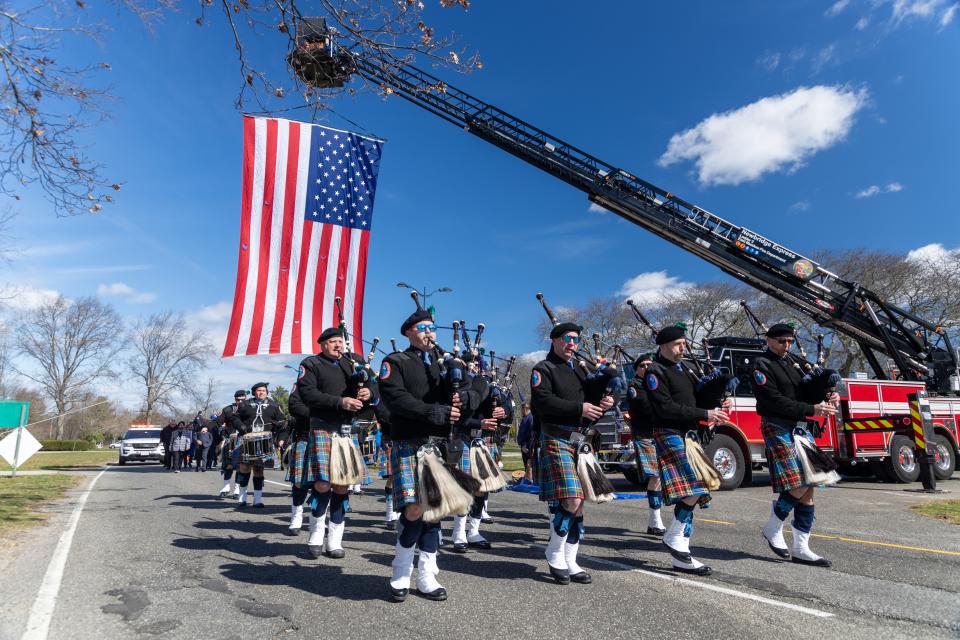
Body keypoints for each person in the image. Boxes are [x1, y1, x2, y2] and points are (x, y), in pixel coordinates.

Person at [379, 309, 461, 602]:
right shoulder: (395, 362)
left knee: (434, 511)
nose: (429, 333)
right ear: (409, 332)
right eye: (423, 328)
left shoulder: (444, 366)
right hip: (410, 442)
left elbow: (474, 390)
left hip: (438, 445)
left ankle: (427, 575)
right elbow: (394, 398)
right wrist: (431, 410)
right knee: (414, 509)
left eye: (432, 328)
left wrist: (465, 392)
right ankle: (400, 571)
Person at [531, 321, 616, 586]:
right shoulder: (542, 369)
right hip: (557, 436)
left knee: (579, 503)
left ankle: (571, 559)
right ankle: (554, 551)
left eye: (576, 339)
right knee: (571, 498)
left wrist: (607, 395)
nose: (572, 344)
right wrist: (579, 409)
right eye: (567, 338)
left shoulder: (581, 370)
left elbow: (597, 397)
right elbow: (543, 402)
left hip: (581, 441)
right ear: (554, 340)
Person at [644, 324, 731, 576]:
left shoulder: (686, 369)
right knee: (697, 485)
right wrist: (705, 413)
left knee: (699, 488)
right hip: (669, 432)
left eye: (684, 344)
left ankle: (682, 553)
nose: (683, 348)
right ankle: (673, 537)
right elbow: (665, 408)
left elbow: (694, 400)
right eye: (678, 344)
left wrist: (717, 402)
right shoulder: (655, 372)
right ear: (663, 345)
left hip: (689, 435)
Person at [752, 323, 838, 568]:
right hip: (777, 425)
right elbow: (773, 400)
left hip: (799, 427)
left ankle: (802, 548)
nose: (786, 346)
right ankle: (773, 527)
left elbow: (804, 394)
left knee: (810, 485)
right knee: (799, 483)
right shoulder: (762, 365)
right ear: (769, 340)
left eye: (789, 341)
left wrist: (825, 391)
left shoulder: (792, 364)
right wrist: (813, 409)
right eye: (781, 341)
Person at [294, 327, 373, 558]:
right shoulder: (311, 364)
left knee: (342, 485)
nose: (338, 345)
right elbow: (307, 394)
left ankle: (335, 540)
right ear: (322, 344)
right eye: (332, 342)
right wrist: (340, 402)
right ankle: (316, 533)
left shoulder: (354, 364)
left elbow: (375, 387)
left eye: (340, 341)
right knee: (322, 484)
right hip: (323, 427)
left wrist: (369, 392)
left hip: (347, 431)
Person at [628, 353, 665, 536]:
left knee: (662, 477)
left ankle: (654, 522)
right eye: (642, 365)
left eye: (649, 364)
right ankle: (656, 520)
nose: (646, 367)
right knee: (656, 475)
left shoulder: (657, 383)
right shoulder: (634, 386)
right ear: (637, 369)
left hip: (661, 435)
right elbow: (646, 407)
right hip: (645, 435)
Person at [235, 382, 285, 508]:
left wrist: (278, 426)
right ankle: (242, 497)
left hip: (264, 442)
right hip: (247, 440)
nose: (261, 392)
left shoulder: (274, 405)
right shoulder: (245, 404)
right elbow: (235, 418)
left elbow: (282, 422)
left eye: (263, 390)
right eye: (258, 390)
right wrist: (241, 427)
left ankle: (257, 499)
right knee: (244, 469)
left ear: (267, 392)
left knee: (259, 470)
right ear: (253, 392)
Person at [284, 382, 312, 536]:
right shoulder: (300, 384)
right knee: (300, 482)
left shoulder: (337, 381)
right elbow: (294, 406)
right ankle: (296, 518)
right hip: (305, 436)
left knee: (325, 483)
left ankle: (317, 519)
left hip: (330, 436)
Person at [217, 390, 247, 498]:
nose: (240, 401)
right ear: (234, 399)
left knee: (240, 466)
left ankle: (237, 489)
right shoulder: (228, 409)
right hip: (230, 440)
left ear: (246, 398)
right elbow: (218, 421)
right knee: (228, 465)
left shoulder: (250, 409)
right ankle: (226, 487)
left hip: (244, 441)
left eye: (242, 399)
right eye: (237, 399)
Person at [516, 403, 534, 482]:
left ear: (525, 409)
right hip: (523, 444)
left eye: (522, 409)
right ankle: (528, 479)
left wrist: (524, 444)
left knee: (528, 464)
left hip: (527, 446)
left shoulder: (530, 418)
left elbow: (529, 434)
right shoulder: (525, 418)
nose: (521, 411)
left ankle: (530, 480)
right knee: (526, 464)